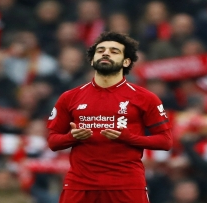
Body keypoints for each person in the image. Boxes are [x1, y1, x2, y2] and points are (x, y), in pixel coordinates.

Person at [47, 31, 173, 203]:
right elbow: (53, 142)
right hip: (80, 183)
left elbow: (165, 141)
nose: (105, 53)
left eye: (114, 51)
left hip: (126, 184)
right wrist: (71, 137)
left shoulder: (145, 97)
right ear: (92, 60)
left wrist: (130, 138)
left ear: (126, 61)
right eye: (100, 51)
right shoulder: (70, 97)